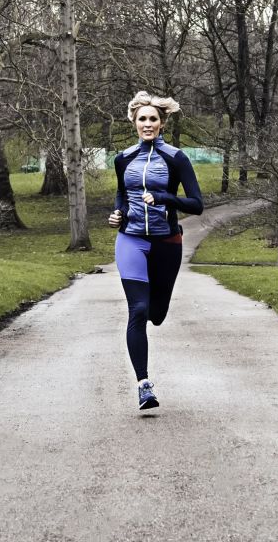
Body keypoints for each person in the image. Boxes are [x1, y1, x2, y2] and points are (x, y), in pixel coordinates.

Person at [108, 91, 204, 410]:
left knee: (156, 314)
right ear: (134, 123)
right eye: (142, 119)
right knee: (137, 310)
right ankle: (144, 384)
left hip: (166, 242)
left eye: (153, 119)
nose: (147, 124)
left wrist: (164, 199)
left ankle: (154, 308)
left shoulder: (176, 158)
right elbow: (122, 194)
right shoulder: (123, 158)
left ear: (161, 123)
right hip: (131, 239)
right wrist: (117, 213)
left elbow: (197, 205)